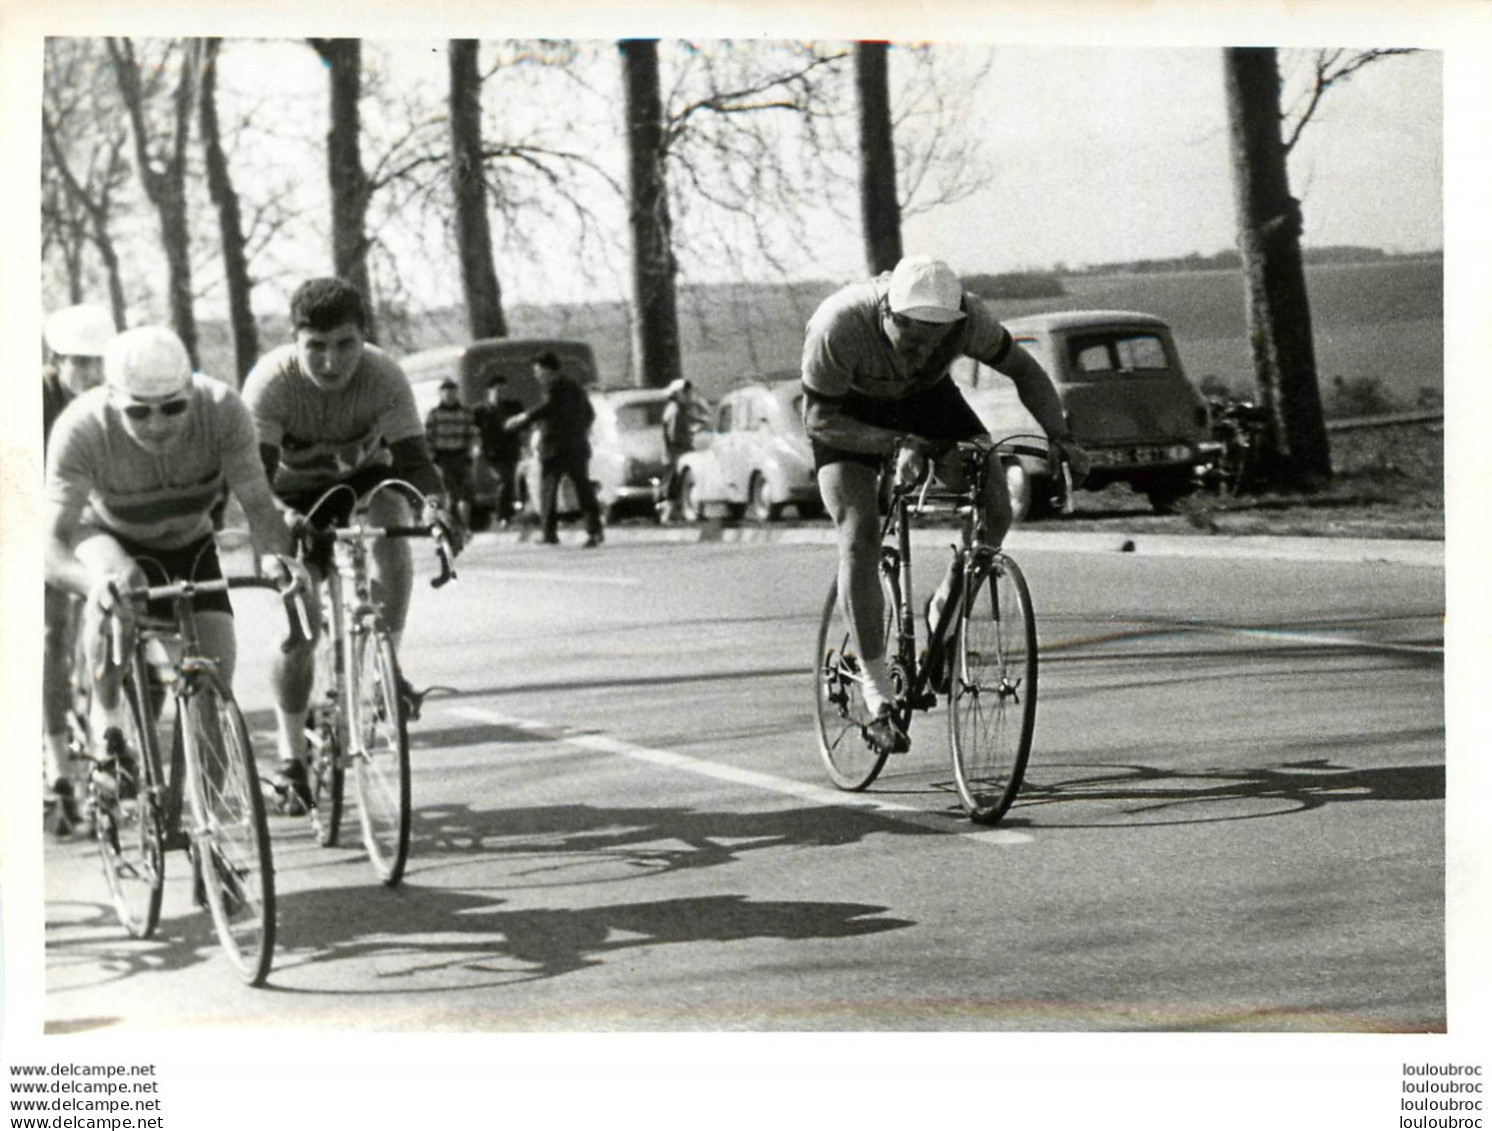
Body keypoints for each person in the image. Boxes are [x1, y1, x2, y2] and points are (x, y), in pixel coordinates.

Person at [801, 255, 1090, 755]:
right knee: (859, 532)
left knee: (997, 508)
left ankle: (942, 612)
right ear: (887, 316)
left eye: (936, 344)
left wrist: (1062, 437)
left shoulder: (971, 320)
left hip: (928, 400)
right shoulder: (838, 324)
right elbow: (820, 422)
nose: (920, 351)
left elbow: (1025, 370)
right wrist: (897, 445)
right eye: (911, 339)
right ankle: (876, 692)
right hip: (849, 413)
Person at [44, 326, 298, 803]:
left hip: (190, 541)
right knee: (119, 581)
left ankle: (214, 831)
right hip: (107, 535)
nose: (157, 424)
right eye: (139, 411)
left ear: (191, 392)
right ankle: (109, 730)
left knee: (215, 680)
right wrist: (90, 584)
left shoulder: (222, 410)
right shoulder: (79, 428)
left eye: (173, 407)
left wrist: (281, 564)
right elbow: (51, 545)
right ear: (113, 399)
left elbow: (261, 509)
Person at [241, 277, 456, 813]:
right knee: (301, 625)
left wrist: (436, 507)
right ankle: (291, 759)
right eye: (316, 346)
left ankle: (387, 667)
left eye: (345, 345)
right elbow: (252, 482)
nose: (331, 362)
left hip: (364, 481)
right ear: (295, 340)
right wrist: (280, 520)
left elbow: (412, 460)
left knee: (392, 517)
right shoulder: (271, 382)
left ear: (364, 337)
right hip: (289, 497)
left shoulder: (384, 375)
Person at [41, 303, 115, 829]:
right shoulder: (33, 400)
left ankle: (111, 738)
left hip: (89, 519)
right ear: (56, 360)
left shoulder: (111, 400)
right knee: (51, 633)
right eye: (79, 363)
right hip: (32, 520)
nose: (90, 374)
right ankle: (58, 764)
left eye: (98, 362)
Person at [503, 350, 604, 547]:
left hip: (555, 449)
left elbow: (548, 407)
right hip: (577, 446)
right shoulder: (576, 388)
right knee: (583, 489)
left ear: (549, 370)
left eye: (538, 370)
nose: (537, 375)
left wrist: (522, 418)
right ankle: (595, 531)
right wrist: (578, 431)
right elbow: (590, 414)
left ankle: (549, 533)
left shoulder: (554, 388)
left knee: (548, 490)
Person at [424, 378, 480, 530]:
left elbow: (473, 435)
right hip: (442, 457)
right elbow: (428, 438)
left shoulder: (466, 413)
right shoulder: (434, 414)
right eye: (446, 392)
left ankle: (465, 527)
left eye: (453, 392)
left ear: (457, 393)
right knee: (449, 493)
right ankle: (450, 528)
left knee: (465, 494)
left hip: (461, 456)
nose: (449, 395)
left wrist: (473, 451)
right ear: (441, 394)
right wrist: (432, 458)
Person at [473, 373, 525, 526]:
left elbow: (523, 424)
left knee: (508, 480)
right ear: (490, 391)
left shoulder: (514, 406)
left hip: (511, 450)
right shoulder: (480, 410)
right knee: (504, 479)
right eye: (497, 390)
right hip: (491, 452)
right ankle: (503, 516)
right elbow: (473, 430)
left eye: (504, 390)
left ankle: (506, 515)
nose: (501, 393)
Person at [657, 377, 707, 523]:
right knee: (673, 484)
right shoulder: (675, 411)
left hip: (677, 453)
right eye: (687, 393)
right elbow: (675, 436)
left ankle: (672, 514)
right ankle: (667, 515)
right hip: (675, 454)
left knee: (676, 483)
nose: (690, 396)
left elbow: (693, 420)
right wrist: (690, 438)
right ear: (679, 394)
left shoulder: (680, 410)